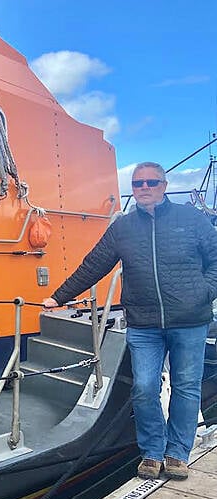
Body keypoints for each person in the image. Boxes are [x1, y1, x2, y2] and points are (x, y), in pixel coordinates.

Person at [42, 162, 217, 481]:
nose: (144, 188)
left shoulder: (191, 219)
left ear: (164, 185)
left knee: (186, 388)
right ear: (132, 189)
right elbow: (94, 264)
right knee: (145, 387)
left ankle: (177, 453)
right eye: (138, 184)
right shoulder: (123, 228)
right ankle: (152, 451)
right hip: (144, 324)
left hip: (190, 320)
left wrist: (205, 292)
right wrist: (60, 296)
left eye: (151, 182)